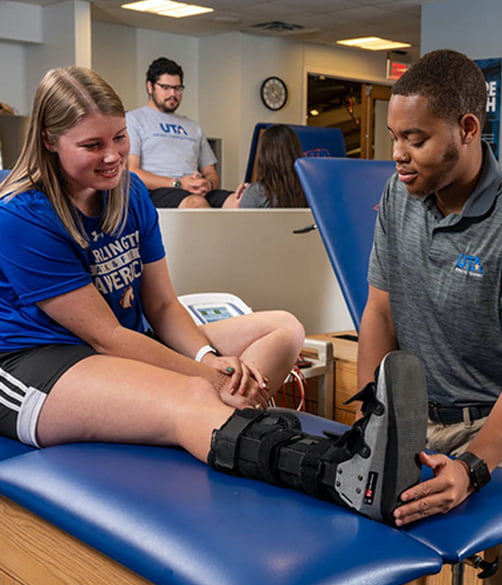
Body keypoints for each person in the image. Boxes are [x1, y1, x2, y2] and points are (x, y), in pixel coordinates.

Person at [0, 66, 426, 526]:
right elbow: (106, 337)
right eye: (92, 145)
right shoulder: (22, 214)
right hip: (40, 361)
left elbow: (162, 305)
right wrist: (210, 377)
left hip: (124, 340)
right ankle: (336, 472)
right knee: (191, 393)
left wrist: (210, 358)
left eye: (119, 138)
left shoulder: (128, 192)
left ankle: (228, 423)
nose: (112, 156)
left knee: (284, 329)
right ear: (49, 140)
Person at [357, 49, 502, 585]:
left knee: (498, 579)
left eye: (415, 139)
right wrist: (370, 416)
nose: (398, 154)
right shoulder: (399, 194)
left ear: (468, 129)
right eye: (394, 137)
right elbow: (379, 310)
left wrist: (473, 466)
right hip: (419, 417)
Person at [126, 57, 237, 209]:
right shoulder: (133, 120)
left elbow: (211, 173)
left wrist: (207, 184)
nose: (173, 93)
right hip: (155, 191)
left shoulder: (193, 127)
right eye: (165, 87)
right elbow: (132, 172)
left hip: (193, 190)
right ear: (150, 87)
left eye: (177, 88)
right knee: (196, 203)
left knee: (238, 201)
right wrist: (178, 184)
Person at [230, 124, 308, 209]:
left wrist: (240, 203)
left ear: (263, 156)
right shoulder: (309, 190)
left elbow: (244, 217)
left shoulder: (256, 193)